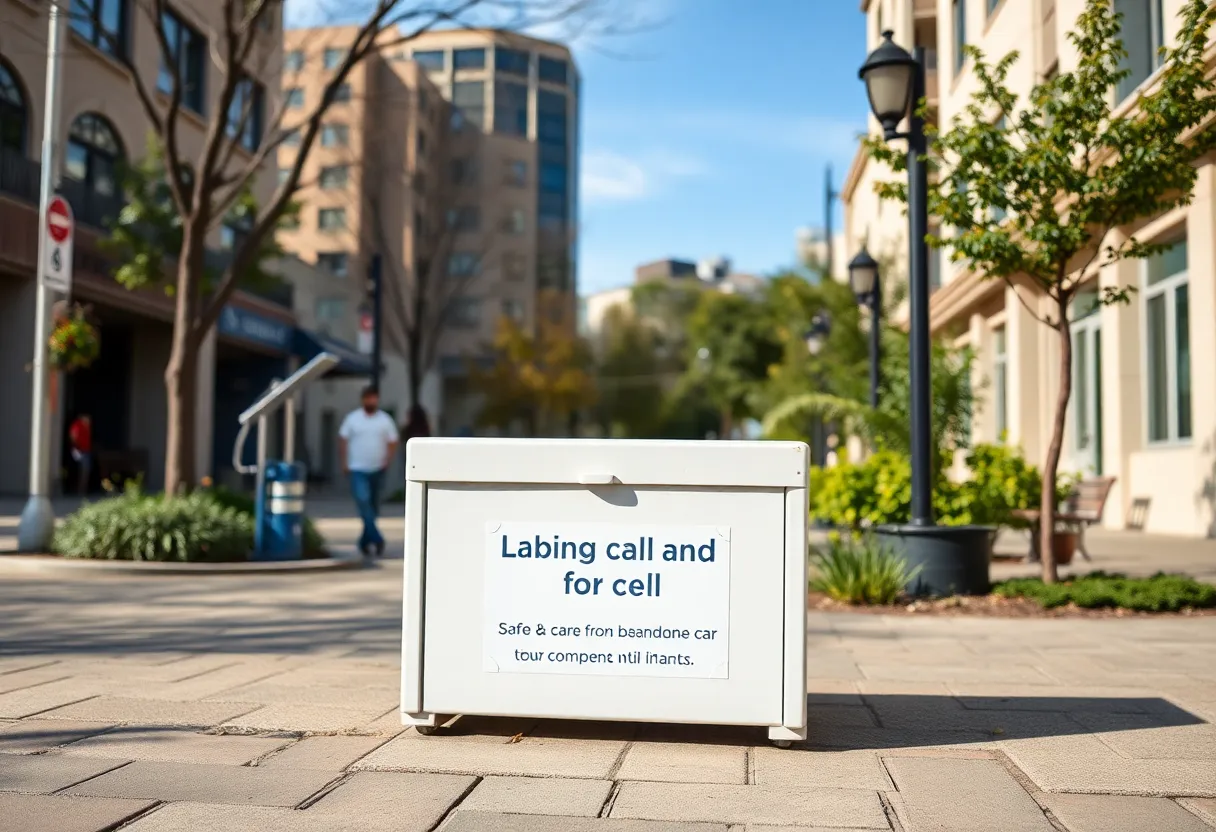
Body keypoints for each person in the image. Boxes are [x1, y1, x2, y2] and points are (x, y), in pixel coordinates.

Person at [338, 386, 399, 557]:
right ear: (363, 399)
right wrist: (344, 462)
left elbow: (393, 441)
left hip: (377, 468)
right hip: (357, 468)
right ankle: (377, 538)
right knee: (363, 501)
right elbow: (343, 440)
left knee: (373, 507)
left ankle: (364, 541)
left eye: (374, 398)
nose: (371, 401)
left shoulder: (384, 420)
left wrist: (388, 460)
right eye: (368, 398)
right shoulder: (353, 419)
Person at [68, 413, 92, 496]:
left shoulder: (87, 426)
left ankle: (83, 490)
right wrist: (76, 446)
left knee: (86, 470)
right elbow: (73, 436)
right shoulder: (77, 425)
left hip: (86, 451)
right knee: (82, 469)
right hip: (80, 451)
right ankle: (79, 490)